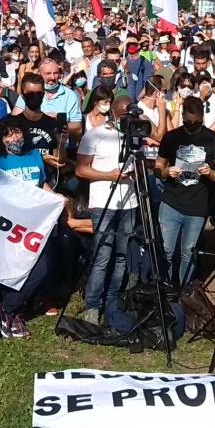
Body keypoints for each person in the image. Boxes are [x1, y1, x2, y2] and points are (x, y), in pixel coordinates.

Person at [0, 122, 53, 339]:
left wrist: (56, 199)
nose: (14, 138)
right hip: (9, 226)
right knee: (13, 270)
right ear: (0, 139)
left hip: (35, 225)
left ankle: (8, 307)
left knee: (41, 268)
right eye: (8, 135)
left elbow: (41, 184)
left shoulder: (34, 155)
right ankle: (11, 312)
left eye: (17, 132)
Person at [155, 96, 215, 288]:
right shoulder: (172, 137)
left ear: (203, 118)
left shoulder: (214, 140)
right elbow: (158, 166)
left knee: (189, 251)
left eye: (196, 123)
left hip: (198, 206)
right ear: (183, 117)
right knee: (166, 249)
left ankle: (185, 292)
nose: (192, 127)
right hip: (171, 202)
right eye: (188, 123)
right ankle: (165, 288)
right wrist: (167, 172)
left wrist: (210, 173)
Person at [77, 95, 137, 324]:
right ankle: (93, 304)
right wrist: (109, 176)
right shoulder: (95, 135)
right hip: (103, 202)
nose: (127, 120)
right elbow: (81, 170)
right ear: (113, 114)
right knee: (103, 254)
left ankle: (113, 299)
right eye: (124, 116)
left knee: (122, 255)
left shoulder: (134, 136)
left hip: (129, 203)